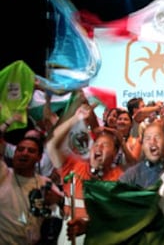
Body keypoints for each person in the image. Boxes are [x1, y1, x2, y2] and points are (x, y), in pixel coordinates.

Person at [46, 104, 124, 244]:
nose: (98, 147)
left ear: (114, 154)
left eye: (105, 145)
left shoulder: (120, 178)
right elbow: (52, 145)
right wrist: (76, 118)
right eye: (96, 144)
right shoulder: (75, 167)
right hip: (69, 239)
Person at [0, 136, 63, 244]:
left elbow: (68, 212)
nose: (24, 153)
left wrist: (59, 201)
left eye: (31, 151)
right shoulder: (3, 174)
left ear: (39, 157)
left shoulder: (45, 184)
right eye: (20, 149)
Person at [119, 122, 164, 188]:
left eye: (157, 137)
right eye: (148, 138)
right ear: (143, 145)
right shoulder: (132, 174)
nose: (152, 142)